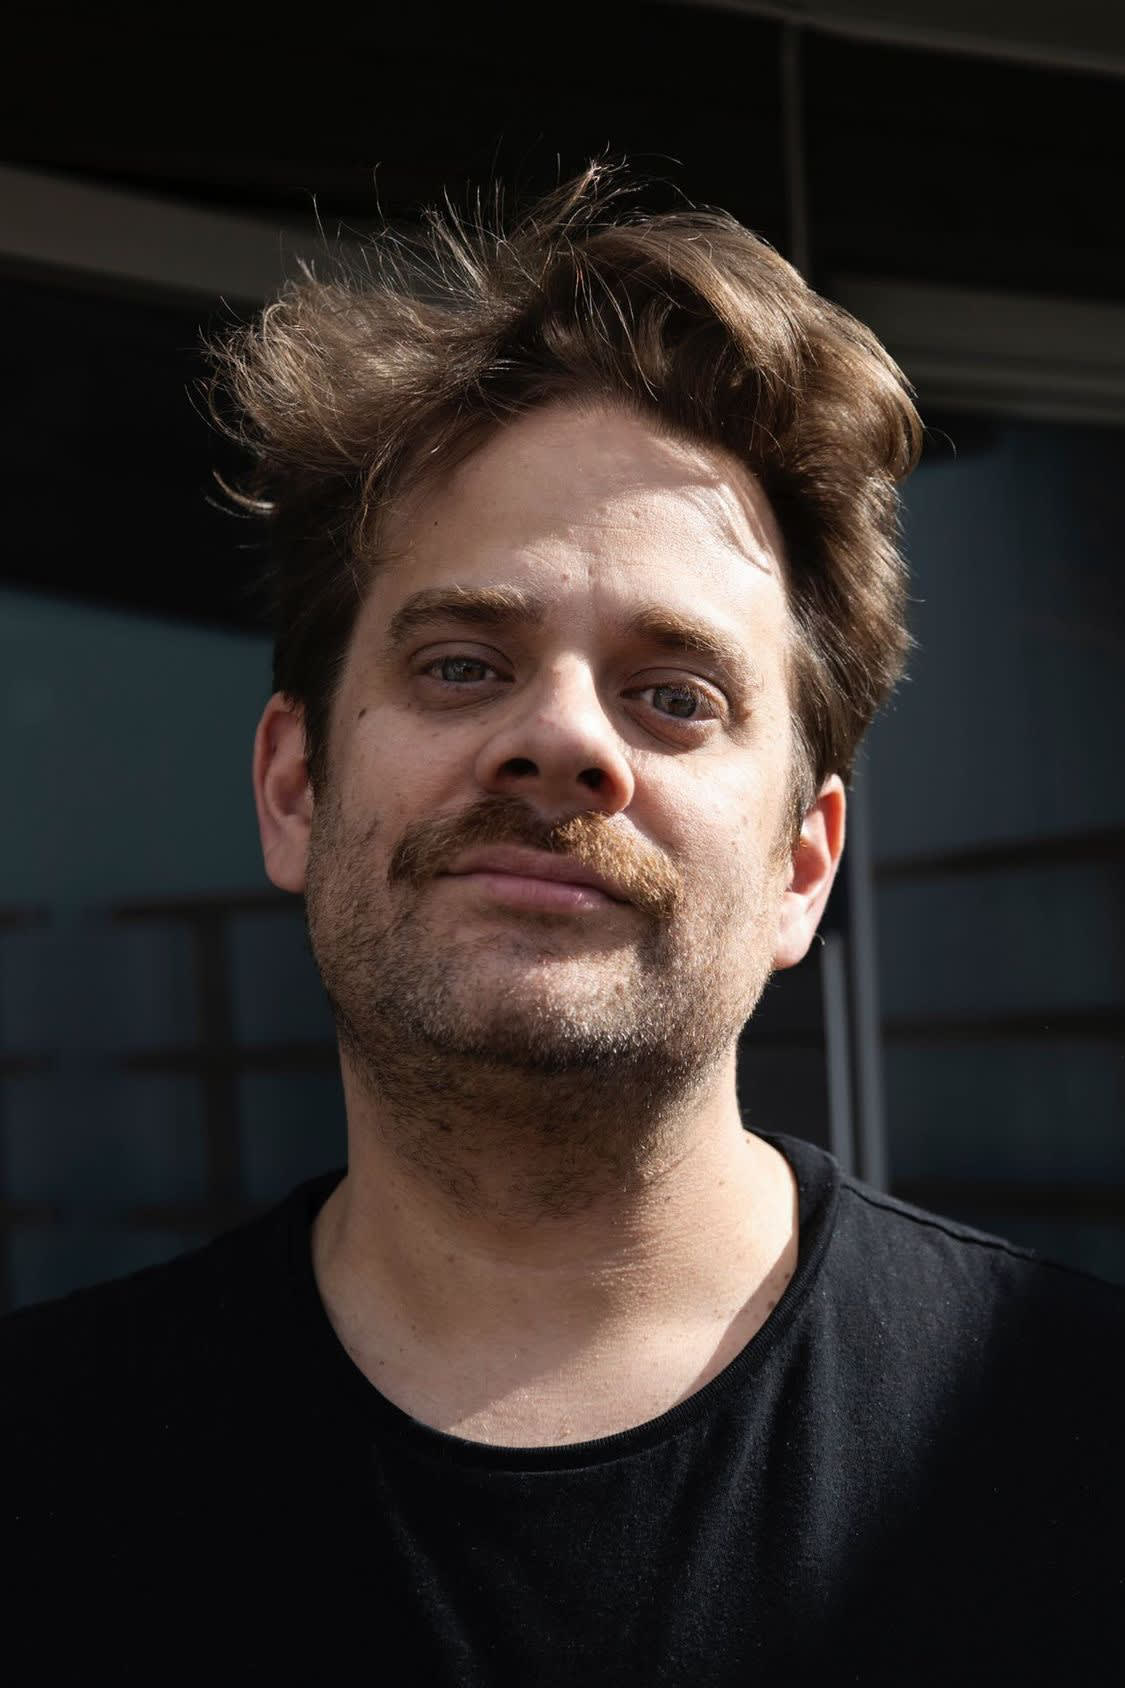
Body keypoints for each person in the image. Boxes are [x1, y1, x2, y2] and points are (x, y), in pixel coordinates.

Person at [3, 163, 1120, 1681]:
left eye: (675, 695)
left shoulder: (1077, 1448)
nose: (563, 742)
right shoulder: (44, 1474)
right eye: (463, 664)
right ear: (293, 787)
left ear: (803, 866)